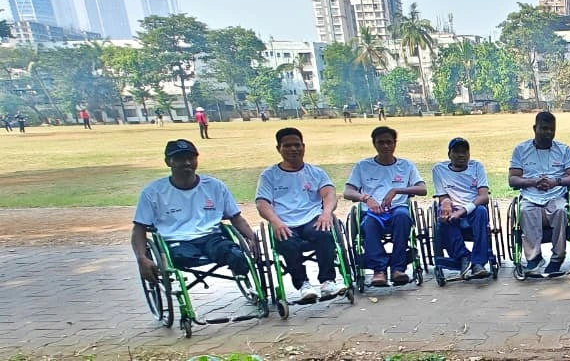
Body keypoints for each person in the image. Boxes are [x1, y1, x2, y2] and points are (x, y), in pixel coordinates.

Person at [132, 140, 256, 284]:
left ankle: (253, 289)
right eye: (179, 159)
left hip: (212, 237)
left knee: (237, 256)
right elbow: (139, 228)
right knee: (181, 258)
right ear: (168, 162)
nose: (187, 163)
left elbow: (236, 217)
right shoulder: (153, 192)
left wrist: (252, 237)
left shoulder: (215, 186)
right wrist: (142, 257)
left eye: (191, 158)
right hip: (176, 240)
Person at [255, 127, 346, 302]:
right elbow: (262, 203)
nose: (293, 149)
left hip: (311, 218)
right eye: (287, 146)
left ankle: (327, 281)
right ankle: (303, 284)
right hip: (284, 221)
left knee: (324, 234)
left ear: (303, 146)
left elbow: (329, 193)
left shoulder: (316, 172)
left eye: (297, 145)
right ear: (278, 149)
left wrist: (326, 213)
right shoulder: (269, 175)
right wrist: (275, 221)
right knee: (287, 242)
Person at [342, 126, 426, 286]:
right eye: (381, 142)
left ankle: (397, 269)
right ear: (374, 144)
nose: (385, 146)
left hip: (397, 208)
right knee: (369, 224)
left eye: (389, 142)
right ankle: (378, 270)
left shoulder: (406, 165)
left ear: (395, 143)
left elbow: (422, 189)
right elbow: (347, 191)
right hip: (372, 211)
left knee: (403, 217)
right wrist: (366, 198)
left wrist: (397, 190)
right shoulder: (363, 166)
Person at [508, 111, 570, 276]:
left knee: (561, 211)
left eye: (551, 129)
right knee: (526, 211)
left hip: (555, 194)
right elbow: (513, 179)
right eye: (544, 129)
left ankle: (557, 258)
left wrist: (556, 181)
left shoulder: (563, 150)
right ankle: (534, 258)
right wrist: (533, 181)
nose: (548, 133)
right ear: (535, 128)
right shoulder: (521, 150)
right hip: (530, 196)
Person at [431, 137, 493, 279]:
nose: (461, 155)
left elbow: (484, 197)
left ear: (469, 154)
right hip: (453, 208)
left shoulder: (477, 166)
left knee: (482, 211)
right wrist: (446, 203)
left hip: (472, 208)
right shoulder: (439, 169)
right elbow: (442, 196)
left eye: (464, 152)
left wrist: (462, 211)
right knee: (443, 217)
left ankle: (478, 263)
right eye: (456, 152)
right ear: (449, 154)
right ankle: (464, 256)